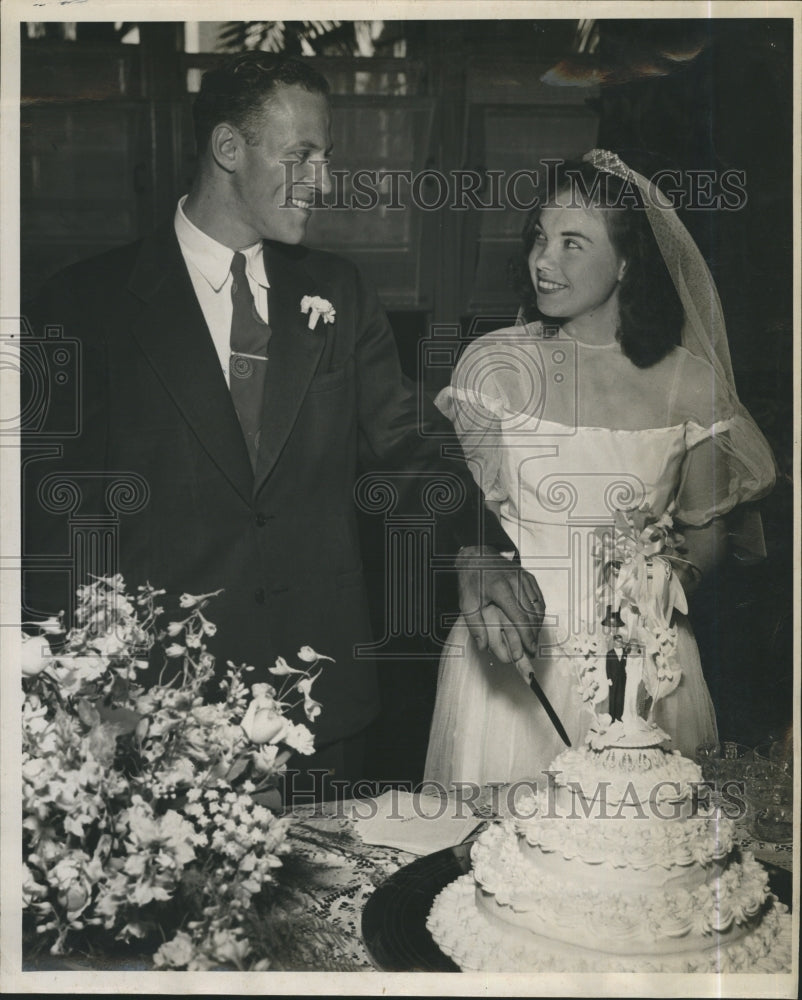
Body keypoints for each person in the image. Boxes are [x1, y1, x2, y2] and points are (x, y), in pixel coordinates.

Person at [21, 52, 540, 799]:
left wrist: (476, 552)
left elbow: (406, 455)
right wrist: (86, 699)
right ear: (229, 148)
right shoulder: (82, 306)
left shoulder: (340, 293)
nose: (323, 182)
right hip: (157, 716)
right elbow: (49, 523)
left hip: (324, 707)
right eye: (301, 156)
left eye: (326, 157)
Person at [424, 150, 776, 786]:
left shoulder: (688, 387)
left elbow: (708, 538)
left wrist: (653, 586)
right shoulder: (493, 368)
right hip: (514, 655)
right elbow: (461, 520)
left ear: (626, 262)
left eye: (572, 243)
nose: (543, 261)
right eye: (540, 238)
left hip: (646, 665)